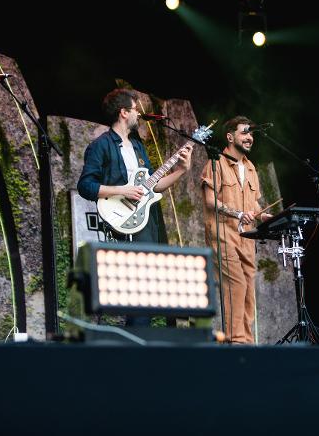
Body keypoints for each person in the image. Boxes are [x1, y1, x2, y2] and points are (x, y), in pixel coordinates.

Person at [77, 88, 192, 243]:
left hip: (146, 221)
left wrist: (181, 170)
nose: (138, 114)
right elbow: (85, 186)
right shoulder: (100, 146)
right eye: (135, 109)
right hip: (120, 222)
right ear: (124, 112)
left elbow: (154, 185)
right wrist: (123, 190)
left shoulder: (138, 146)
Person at [200, 116, 272, 344]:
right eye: (244, 133)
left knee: (249, 287)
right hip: (224, 235)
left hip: (247, 237)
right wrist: (238, 214)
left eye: (251, 133)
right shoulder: (216, 163)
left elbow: (255, 203)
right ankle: (234, 341)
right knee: (236, 285)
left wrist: (264, 216)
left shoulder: (250, 167)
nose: (250, 137)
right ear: (230, 137)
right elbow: (210, 201)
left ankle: (246, 342)